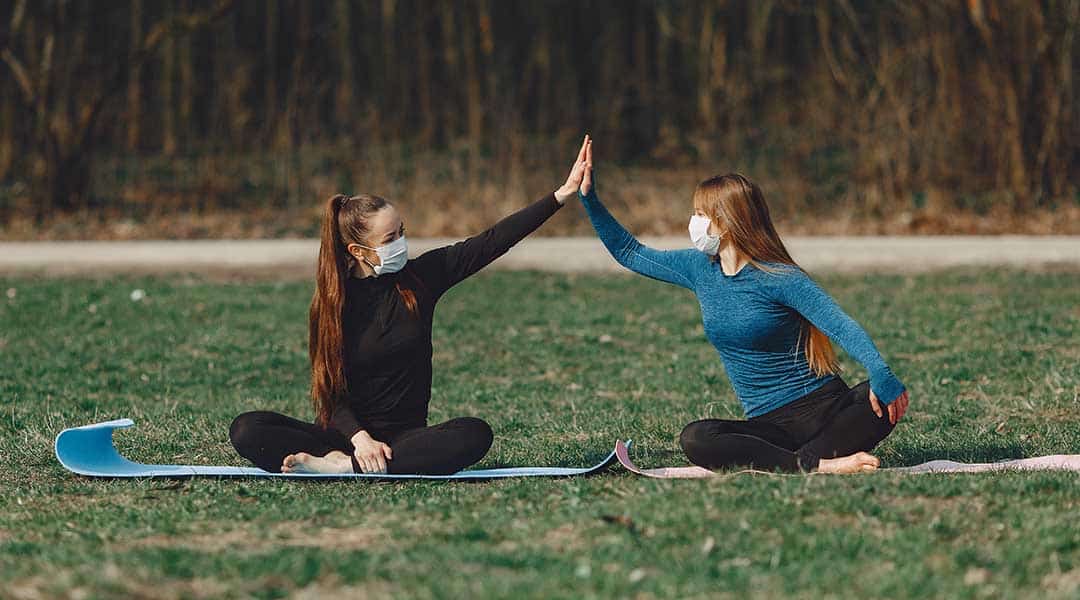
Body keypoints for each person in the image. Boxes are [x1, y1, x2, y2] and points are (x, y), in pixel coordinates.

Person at [229, 137, 593, 475]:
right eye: (390, 237)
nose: (401, 242)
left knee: (474, 434)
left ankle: (340, 469)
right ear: (358, 251)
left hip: (403, 440)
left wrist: (561, 195)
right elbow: (329, 391)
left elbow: (491, 242)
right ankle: (344, 460)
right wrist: (359, 439)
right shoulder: (331, 304)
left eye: (401, 230)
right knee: (247, 428)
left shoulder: (421, 278)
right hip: (342, 437)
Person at [576, 136, 910, 473]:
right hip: (770, 428)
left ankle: (804, 462)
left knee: (879, 398)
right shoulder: (698, 268)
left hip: (827, 410)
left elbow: (839, 324)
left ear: (727, 220)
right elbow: (630, 252)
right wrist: (589, 198)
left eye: (700, 214)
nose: (694, 222)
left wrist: (881, 373)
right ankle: (821, 464)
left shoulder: (780, 277)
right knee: (697, 438)